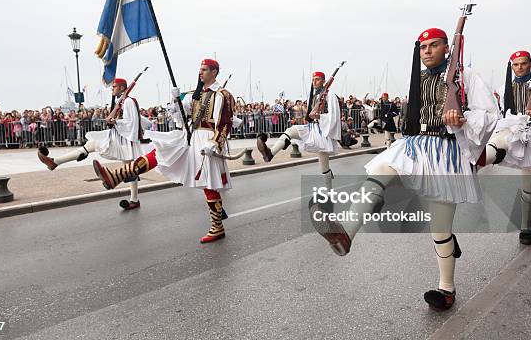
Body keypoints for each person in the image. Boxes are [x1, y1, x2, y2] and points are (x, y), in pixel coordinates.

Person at [309, 28, 499, 310]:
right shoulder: (419, 79)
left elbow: (489, 114)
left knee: (440, 227)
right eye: (423, 47)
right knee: (381, 170)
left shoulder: (465, 76)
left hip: (445, 151)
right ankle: (346, 233)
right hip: (415, 145)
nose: (427, 51)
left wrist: (462, 119)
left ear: (447, 48)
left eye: (434, 46)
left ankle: (446, 288)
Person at [92, 59, 238, 244]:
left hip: (206, 141)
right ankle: (116, 175)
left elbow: (225, 123)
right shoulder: (194, 94)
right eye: (199, 69)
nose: (200, 73)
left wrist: (214, 143)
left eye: (204, 70)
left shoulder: (222, 95)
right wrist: (177, 103)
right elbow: (181, 117)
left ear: (214, 72)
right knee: (160, 153)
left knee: (208, 184)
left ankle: (217, 227)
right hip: (189, 136)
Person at [37, 78, 151, 209]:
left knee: (129, 169)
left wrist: (115, 122)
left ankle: (55, 162)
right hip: (120, 137)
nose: (112, 89)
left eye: (114, 87)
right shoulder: (123, 101)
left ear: (121, 88)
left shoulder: (129, 101)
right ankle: (55, 162)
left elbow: (132, 122)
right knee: (128, 169)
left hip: (124, 139)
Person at [481, 50, 531, 245]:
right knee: (492, 148)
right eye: (516, 64)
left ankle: (526, 228)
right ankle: (473, 165)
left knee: (529, 189)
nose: (519, 67)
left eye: (523, 64)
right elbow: (501, 114)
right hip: (511, 133)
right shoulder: (504, 88)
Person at [256, 71, 341, 196]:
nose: (314, 82)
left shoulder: (330, 95)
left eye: (317, 79)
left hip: (323, 131)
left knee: (324, 165)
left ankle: (329, 190)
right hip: (312, 128)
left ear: (323, 81)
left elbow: (334, 115)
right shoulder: (315, 95)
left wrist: (319, 116)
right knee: (290, 131)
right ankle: (270, 153)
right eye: (313, 79)